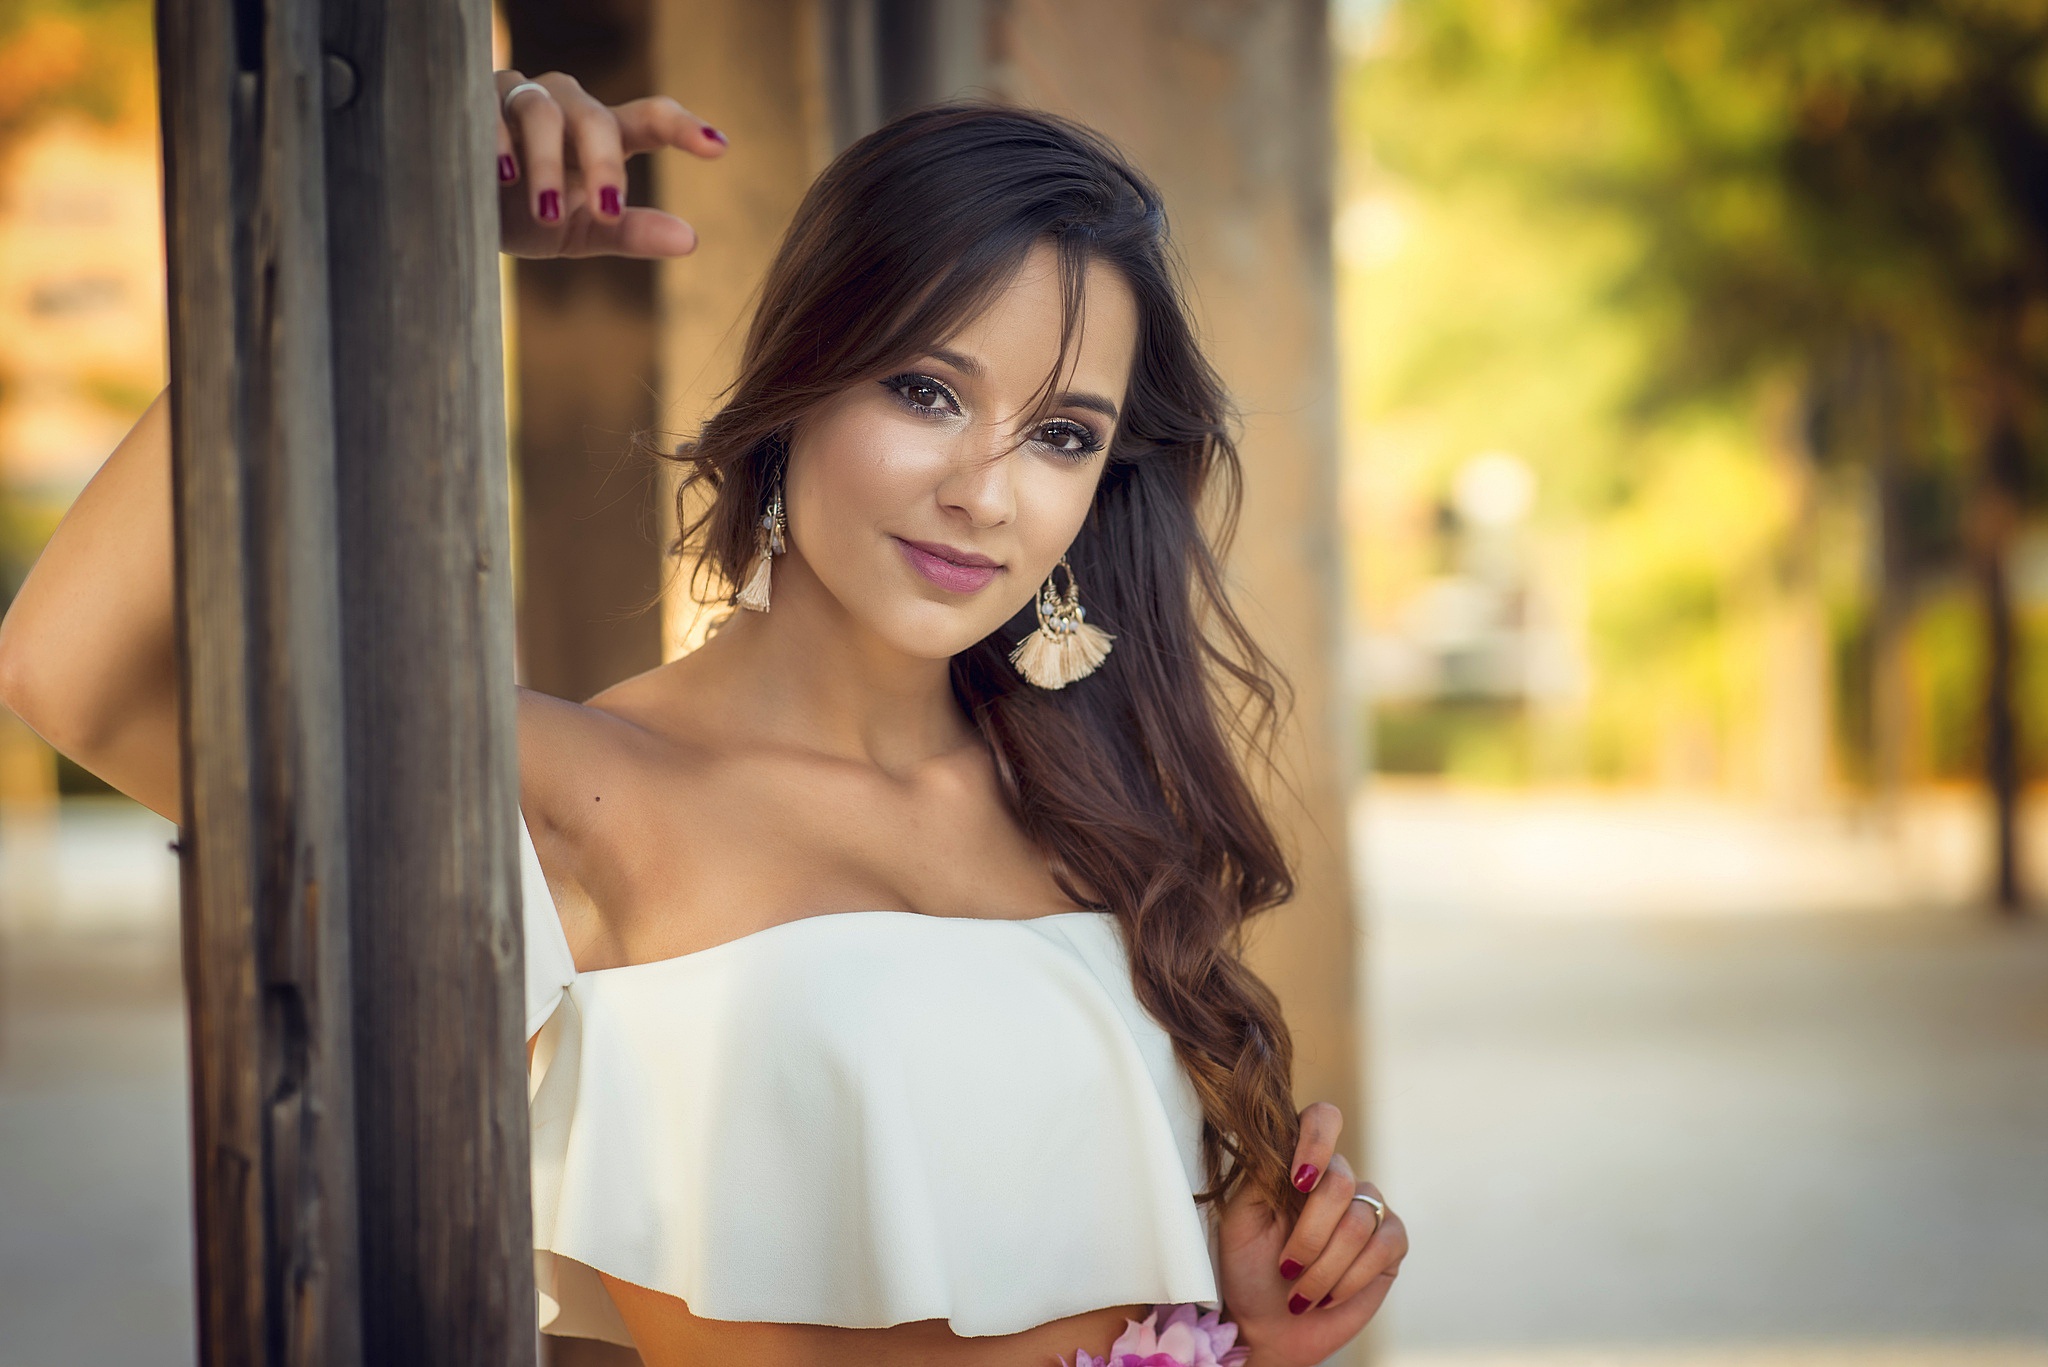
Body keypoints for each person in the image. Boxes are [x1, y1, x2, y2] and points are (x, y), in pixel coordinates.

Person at [0, 66, 1407, 1367]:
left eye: (1062, 435)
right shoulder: (568, 786)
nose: (988, 493)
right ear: (800, 382)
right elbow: (73, 677)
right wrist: (387, 234)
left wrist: (1245, 1323)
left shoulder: (1096, 809)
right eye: (927, 390)